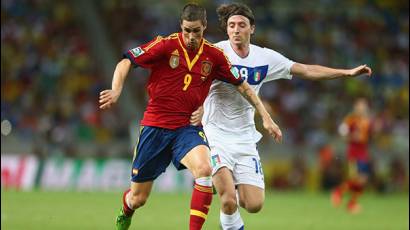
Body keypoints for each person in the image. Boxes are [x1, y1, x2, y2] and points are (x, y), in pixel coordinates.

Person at [98, 3, 282, 230]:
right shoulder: (165, 45)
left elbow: (243, 86)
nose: (191, 36)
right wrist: (116, 90)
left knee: (205, 169)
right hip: (155, 127)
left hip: (187, 127)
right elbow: (126, 62)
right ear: (181, 27)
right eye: (187, 30)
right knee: (138, 198)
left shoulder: (215, 56)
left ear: (204, 27)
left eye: (196, 30)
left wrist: (264, 116)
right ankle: (126, 209)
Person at [195, 3, 372, 229]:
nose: (236, 30)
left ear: (252, 29)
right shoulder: (215, 52)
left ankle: (225, 186)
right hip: (215, 134)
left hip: (245, 138)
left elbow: (305, 70)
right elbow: (192, 79)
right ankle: (223, 191)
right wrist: (197, 104)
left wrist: (345, 72)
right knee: (228, 201)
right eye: (231, 26)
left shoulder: (265, 57)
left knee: (254, 204)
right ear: (226, 29)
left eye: (241, 25)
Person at [331, 98, 373, 214]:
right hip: (353, 153)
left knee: (363, 180)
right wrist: (351, 137)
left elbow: (370, 136)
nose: (362, 108)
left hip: (363, 153)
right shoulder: (350, 120)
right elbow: (342, 134)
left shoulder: (368, 121)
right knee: (355, 178)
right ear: (355, 107)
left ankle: (351, 202)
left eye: (363, 106)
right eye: (359, 106)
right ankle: (339, 192)